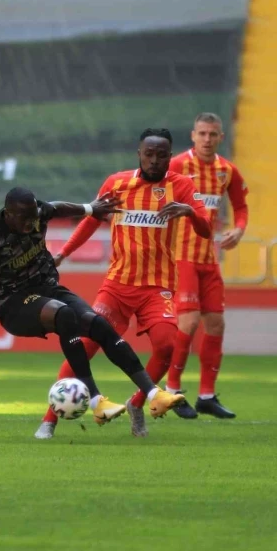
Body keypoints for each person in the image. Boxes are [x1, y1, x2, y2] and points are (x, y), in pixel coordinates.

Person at [0, 188, 184, 427]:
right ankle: (97, 401)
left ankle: (152, 393)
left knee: (98, 324)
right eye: (24, 218)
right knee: (64, 314)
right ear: (8, 214)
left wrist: (89, 208)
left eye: (33, 216)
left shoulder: (38, 213)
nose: (30, 223)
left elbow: (56, 207)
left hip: (47, 289)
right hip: (13, 305)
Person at [34, 128, 212, 439]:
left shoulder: (182, 186)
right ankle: (49, 420)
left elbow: (206, 229)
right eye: (149, 154)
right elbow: (91, 220)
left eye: (161, 155)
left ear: (170, 157)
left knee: (167, 346)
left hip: (157, 287)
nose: (154, 161)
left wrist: (189, 213)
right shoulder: (117, 184)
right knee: (84, 346)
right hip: (117, 286)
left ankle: (137, 403)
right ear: (139, 154)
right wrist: (63, 253)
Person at [164, 112, 249, 419]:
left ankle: (206, 396)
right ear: (193, 135)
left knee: (216, 324)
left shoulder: (227, 170)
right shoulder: (177, 166)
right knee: (188, 323)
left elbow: (240, 206)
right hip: (182, 257)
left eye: (213, 134)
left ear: (221, 138)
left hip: (209, 259)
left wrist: (239, 229)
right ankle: (172, 391)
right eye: (202, 133)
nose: (207, 139)